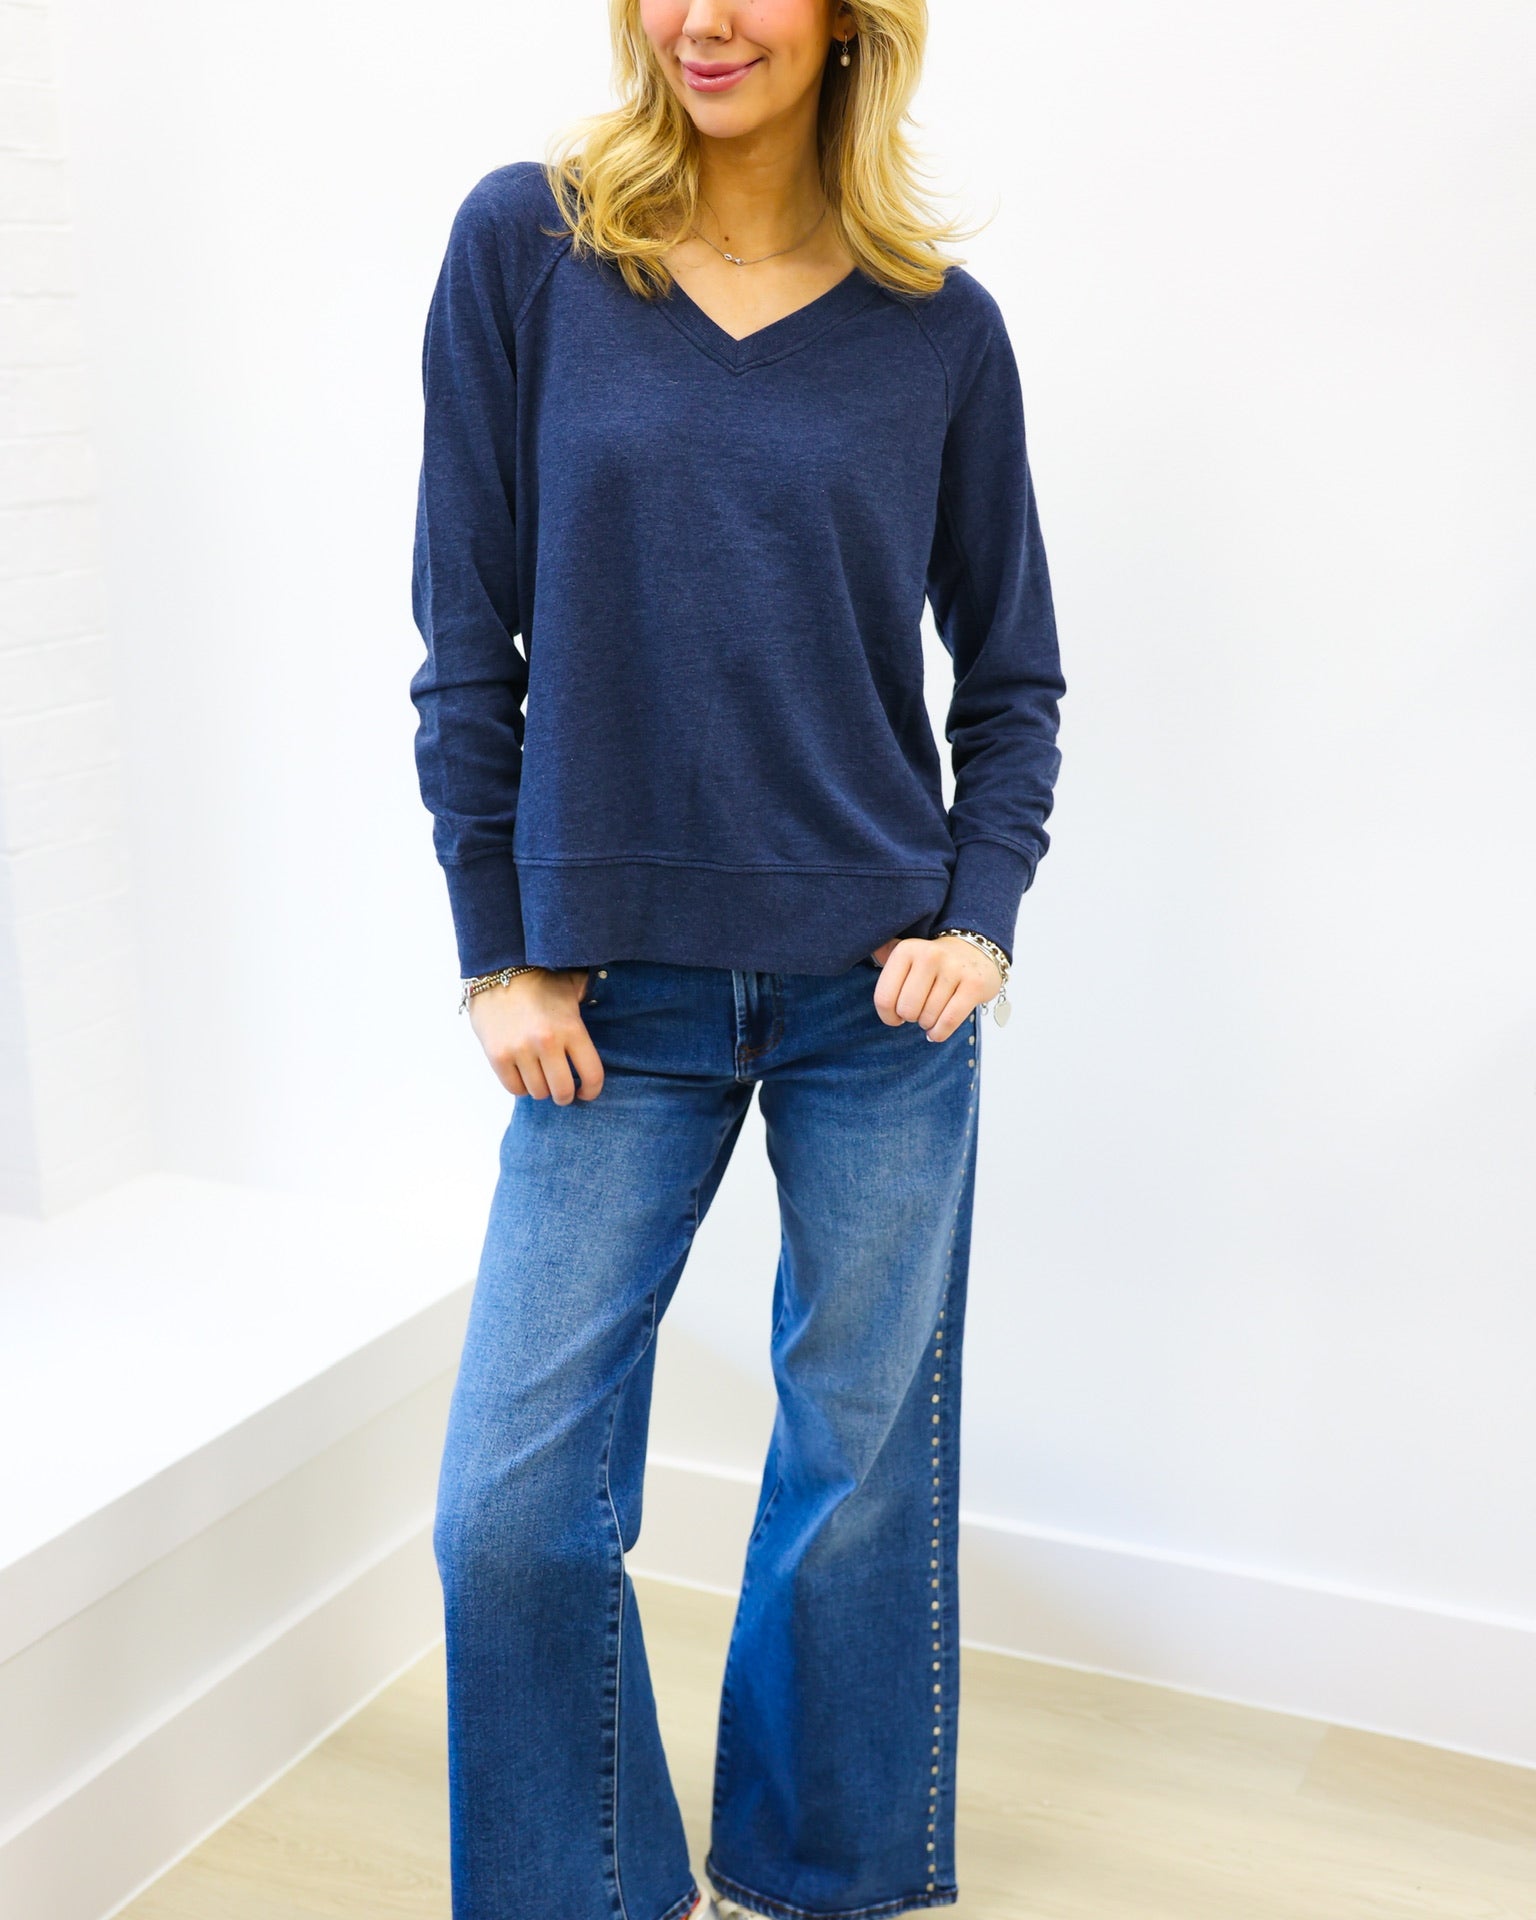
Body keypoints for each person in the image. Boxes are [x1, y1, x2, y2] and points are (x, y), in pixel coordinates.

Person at [408, 4, 1065, 1917]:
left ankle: (824, 1875)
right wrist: (495, 952)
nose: (705, 18)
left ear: (854, 23)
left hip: (878, 1002)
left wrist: (979, 918)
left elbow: (1010, 678)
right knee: (511, 1514)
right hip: (612, 1004)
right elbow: (469, 634)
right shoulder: (529, 248)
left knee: (857, 1478)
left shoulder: (936, 327)